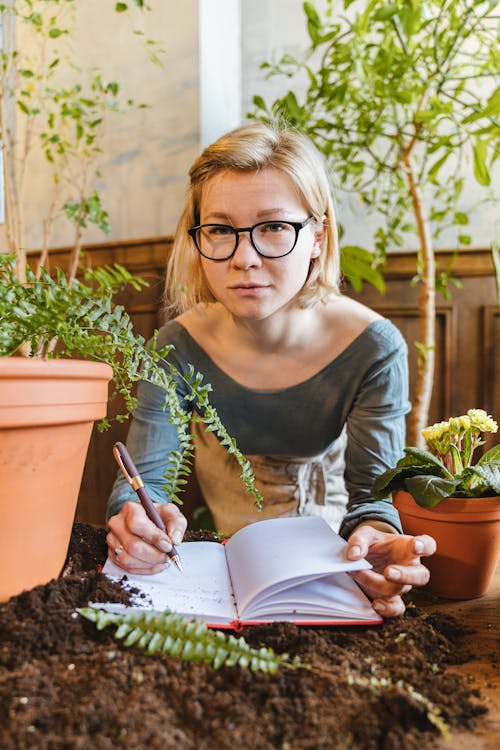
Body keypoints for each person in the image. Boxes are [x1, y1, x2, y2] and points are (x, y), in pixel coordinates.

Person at [106, 121, 436, 618]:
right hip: (218, 549)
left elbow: (372, 496)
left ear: (318, 237)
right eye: (220, 230)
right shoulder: (175, 346)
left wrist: (379, 539)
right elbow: (146, 479)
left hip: (331, 545)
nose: (244, 259)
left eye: (274, 227)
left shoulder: (373, 348)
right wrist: (135, 524)